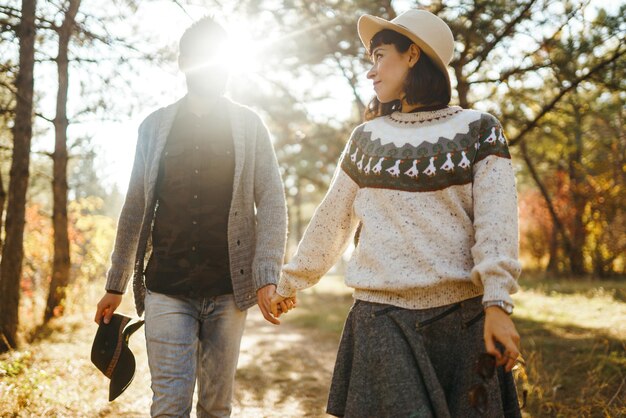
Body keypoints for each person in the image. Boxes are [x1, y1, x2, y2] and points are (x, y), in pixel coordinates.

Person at [271, 9, 523, 418]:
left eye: (380, 55)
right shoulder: (367, 139)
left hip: (462, 323)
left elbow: (496, 225)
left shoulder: (480, 130)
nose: (371, 72)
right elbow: (333, 218)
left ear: (412, 54)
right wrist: (291, 281)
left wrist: (497, 304)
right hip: (380, 321)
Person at [94, 16, 288, 417]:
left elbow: (270, 199)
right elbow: (134, 208)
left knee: (217, 406)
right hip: (167, 287)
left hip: (228, 291)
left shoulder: (249, 127)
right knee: (169, 404)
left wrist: (267, 275)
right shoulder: (153, 128)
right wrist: (115, 284)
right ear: (183, 62)